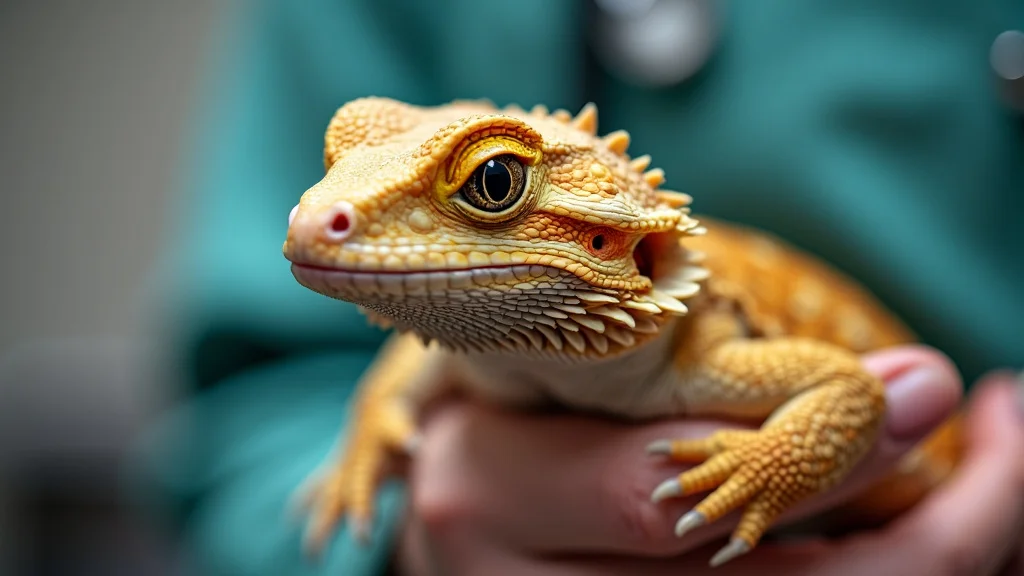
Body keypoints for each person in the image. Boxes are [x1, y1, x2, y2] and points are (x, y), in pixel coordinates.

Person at [136, 1, 1024, 574]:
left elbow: (842, 394)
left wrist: (763, 466)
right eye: (343, 163)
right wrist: (391, 523)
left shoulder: (702, 358)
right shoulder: (465, 347)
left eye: (489, 188)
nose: (327, 214)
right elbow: (290, 397)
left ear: (611, 243)